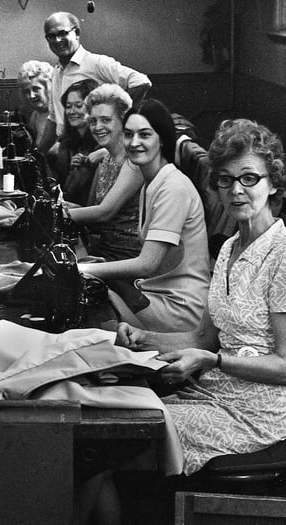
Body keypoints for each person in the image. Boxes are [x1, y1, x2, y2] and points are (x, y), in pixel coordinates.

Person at [115, 118, 286, 476]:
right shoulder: (228, 248)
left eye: (249, 178)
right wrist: (143, 339)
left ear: (273, 184)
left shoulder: (282, 253)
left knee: (113, 444)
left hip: (260, 416)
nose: (236, 190)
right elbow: (202, 339)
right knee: (107, 431)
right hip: (215, 394)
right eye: (226, 180)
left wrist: (213, 361)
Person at [79, 99, 210, 333]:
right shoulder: (152, 182)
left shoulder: (173, 187)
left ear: (162, 139)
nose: (134, 143)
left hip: (180, 310)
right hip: (157, 294)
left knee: (90, 304)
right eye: (128, 135)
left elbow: (147, 264)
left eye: (145, 135)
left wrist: (81, 269)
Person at [37, 11, 151, 155]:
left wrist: (116, 117)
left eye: (63, 33)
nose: (57, 40)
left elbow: (141, 83)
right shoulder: (56, 72)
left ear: (77, 33)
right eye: (51, 36)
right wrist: (36, 153)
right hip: (69, 148)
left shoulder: (96, 63)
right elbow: (54, 120)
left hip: (96, 146)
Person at [66, 84, 143, 261]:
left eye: (106, 120)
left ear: (124, 121)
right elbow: (93, 209)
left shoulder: (134, 160)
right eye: (93, 121)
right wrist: (62, 207)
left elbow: (104, 212)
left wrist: (56, 213)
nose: (97, 127)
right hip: (105, 249)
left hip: (127, 256)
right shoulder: (106, 157)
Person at [54, 79, 98, 205]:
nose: (72, 111)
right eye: (68, 107)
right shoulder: (65, 143)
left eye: (79, 106)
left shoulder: (101, 143)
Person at [17, 60, 54, 148]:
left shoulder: (57, 113)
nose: (31, 96)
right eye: (27, 91)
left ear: (48, 88)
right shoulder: (36, 114)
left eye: (36, 89)